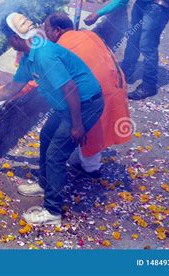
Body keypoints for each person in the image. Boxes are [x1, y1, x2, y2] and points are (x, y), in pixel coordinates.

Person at [0, 13, 103, 225]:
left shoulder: (43, 56)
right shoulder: (29, 57)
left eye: (8, 38)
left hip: (84, 104)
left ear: (16, 38)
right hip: (67, 107)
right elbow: (12, 89)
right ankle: (45, 183)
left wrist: (78, 125)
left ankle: (52, 212)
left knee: (55, 155)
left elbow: (70, 89)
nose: (8, 42)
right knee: (46, 136)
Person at [44, 12, 132, 177]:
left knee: (90, 130)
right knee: (98, 128)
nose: (46, 36)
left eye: (47, 31)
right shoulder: (88, 34)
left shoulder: (61, 48)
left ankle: (90, 169)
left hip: (98, 93)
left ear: (57, 31)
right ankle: (90, 162)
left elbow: (41, 75)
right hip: (116, 82)